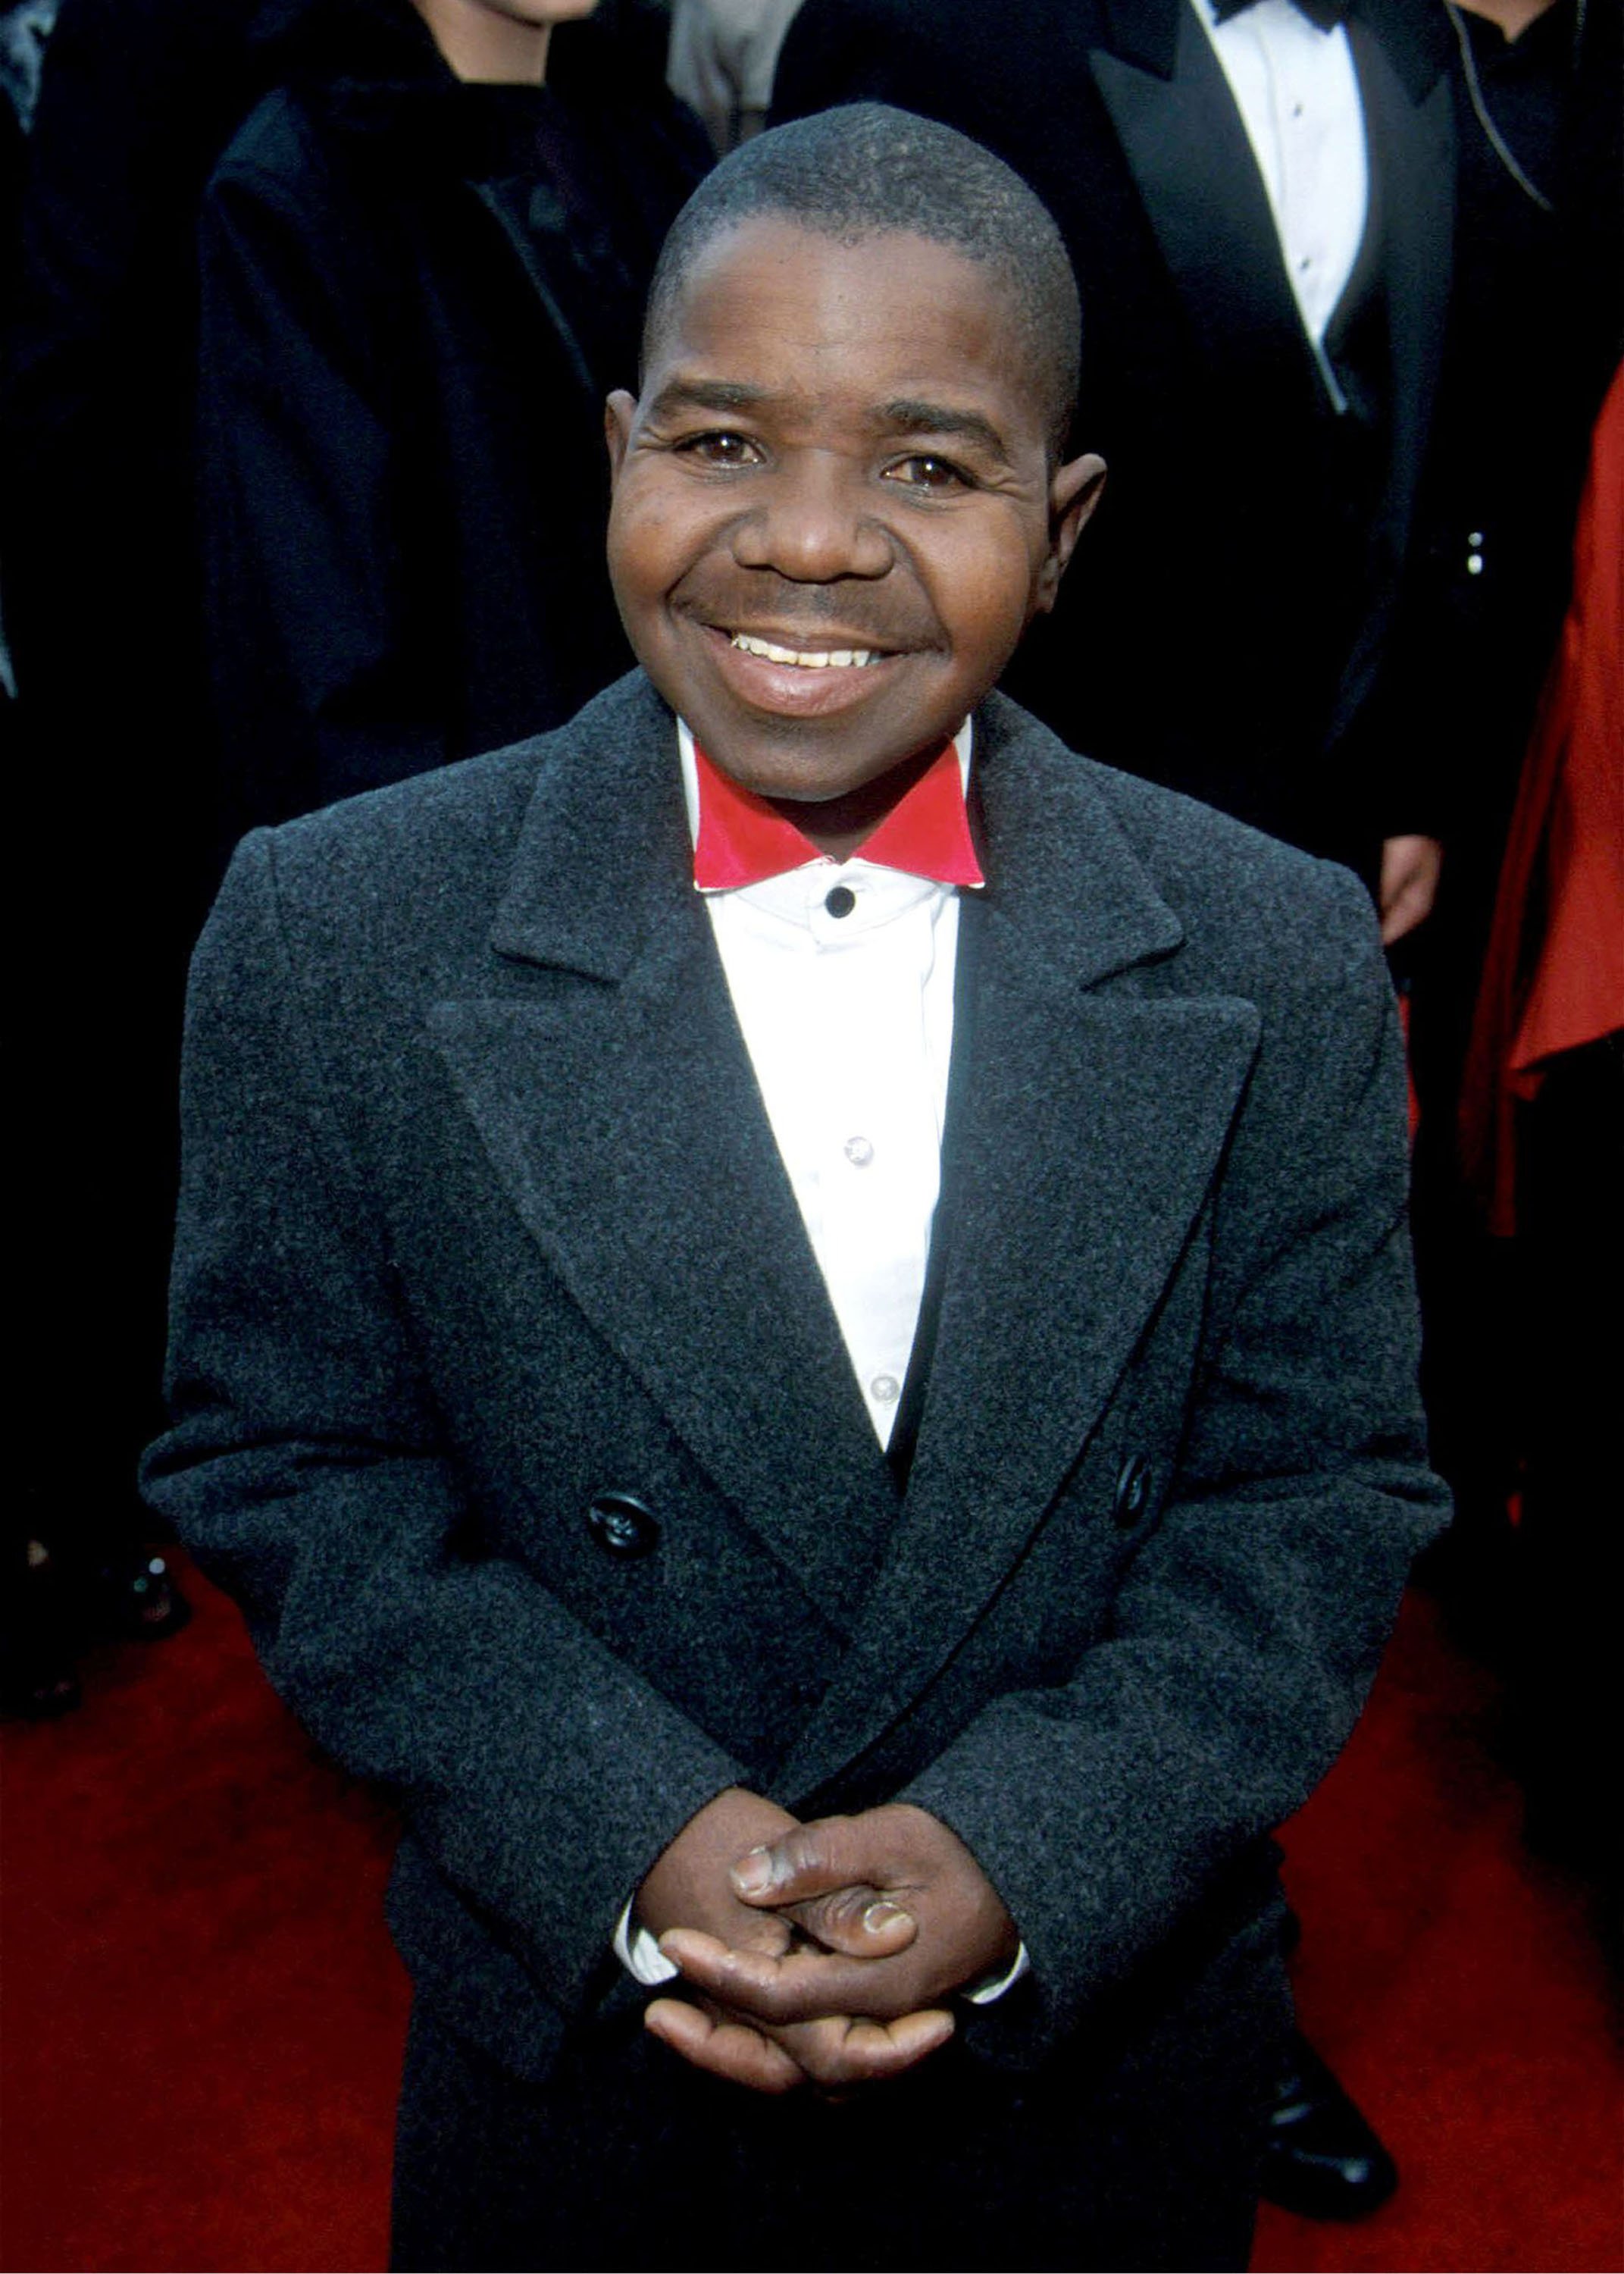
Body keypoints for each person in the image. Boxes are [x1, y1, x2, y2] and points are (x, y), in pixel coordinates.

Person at [144, 105, 1448, 2272]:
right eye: (722, 443)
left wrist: (1030, 1841)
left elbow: (1314, 1494)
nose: (810, 541)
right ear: (613, 454)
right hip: (581, 2071)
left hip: (1091, 2070)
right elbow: (289, 1463)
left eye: (928, 469)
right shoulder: (332, 934)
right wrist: (623, 1825)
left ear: (1065, 523)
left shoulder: (1264, 946)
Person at [773, 0, 1454, 945]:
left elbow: (1425, 430)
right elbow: (821, 416)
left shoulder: (1414, 34)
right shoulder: (926, 25)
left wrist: (1396, 775)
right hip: (1008, 840)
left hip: (1319, 835)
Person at [198, 0, 709, 849]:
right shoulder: (304, 182)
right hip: (464, 842)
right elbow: (319, 641)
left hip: (678, 812)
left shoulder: (647, 138)